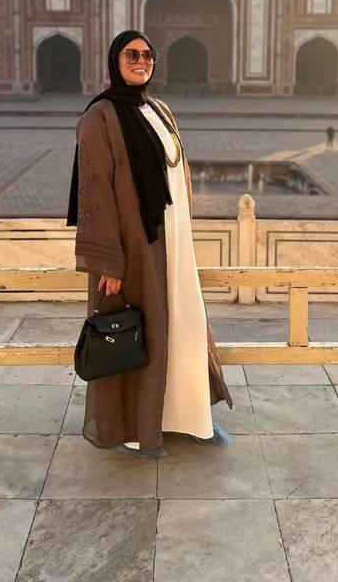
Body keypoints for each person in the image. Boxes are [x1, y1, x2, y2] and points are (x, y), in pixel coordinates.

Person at [67, 29, 233, 459]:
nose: (141, 62)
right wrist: (108, 262)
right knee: (136, 334)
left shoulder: (158, 109)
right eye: (131, 55)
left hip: (173, 243)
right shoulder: (100, 117)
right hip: (135, 249)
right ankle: (136, 430)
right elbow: (94, 191)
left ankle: (188, 417)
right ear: (114, 61)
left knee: (184, 326)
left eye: (148, 55)